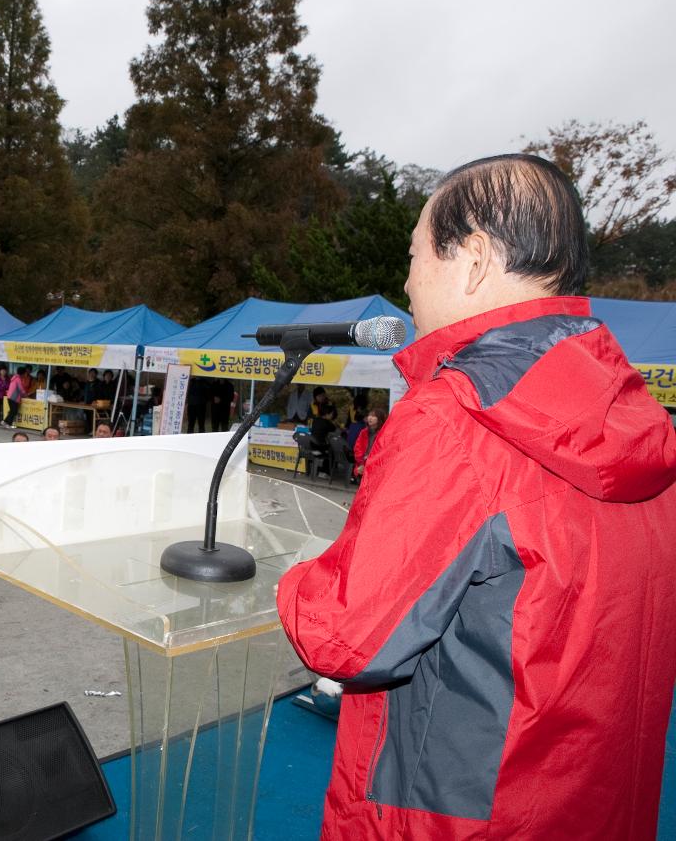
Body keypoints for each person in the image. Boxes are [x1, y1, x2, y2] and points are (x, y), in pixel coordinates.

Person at [275, 153, 676, 840]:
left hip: (447, 818)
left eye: (415, 253)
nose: (406, 281)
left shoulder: (455, 415)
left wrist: (292, 577)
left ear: (475, 261)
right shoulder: (642, 422)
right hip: (596, 805)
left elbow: (345, 636)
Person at [351, 408, 385, 481]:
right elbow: (357, 449)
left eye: (373, 416)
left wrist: (366, 464)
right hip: (361, 464)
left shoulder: (383, 434)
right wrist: (361, 463)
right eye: (369, 415)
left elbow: (381, 454)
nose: (370, 417)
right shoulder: (364, 432)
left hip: (375, 467)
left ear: (380, 419)